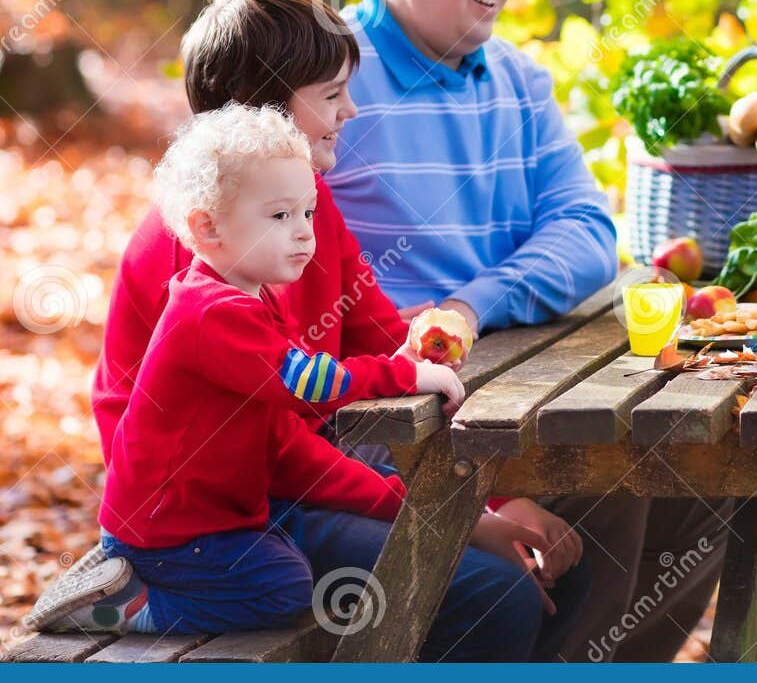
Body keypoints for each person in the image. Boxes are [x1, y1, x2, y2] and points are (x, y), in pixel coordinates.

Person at [31, 0, 583, 661]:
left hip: (280, 474)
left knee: (571, 504)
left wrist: (492, 495)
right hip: (210, 522)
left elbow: (385, 343)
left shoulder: (300, 209)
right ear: (259, 111)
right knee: (490, 590)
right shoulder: (209, 244)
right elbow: (285, 435)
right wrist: (468, 520)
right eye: (330, 95)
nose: (350, 110)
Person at [327, 0, 730, 661]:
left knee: (706, 485)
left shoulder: (514, 77)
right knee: (613, 473)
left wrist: (475, 300)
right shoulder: (329, 77)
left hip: (517, 386)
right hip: (379, 412)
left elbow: (587, 233)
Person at [34, 105, 460, 635]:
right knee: (283, 590)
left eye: (308, 213)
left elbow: (282, 445)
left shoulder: (247, 301)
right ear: (208, 228)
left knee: (291, 566)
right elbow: (308, 384)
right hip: (170, 530)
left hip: (209, 521)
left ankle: (132, 584)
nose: (305, 233)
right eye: (281, 217)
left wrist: (392, 498)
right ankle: (128, 606)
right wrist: (405, 374)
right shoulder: (213, 312)